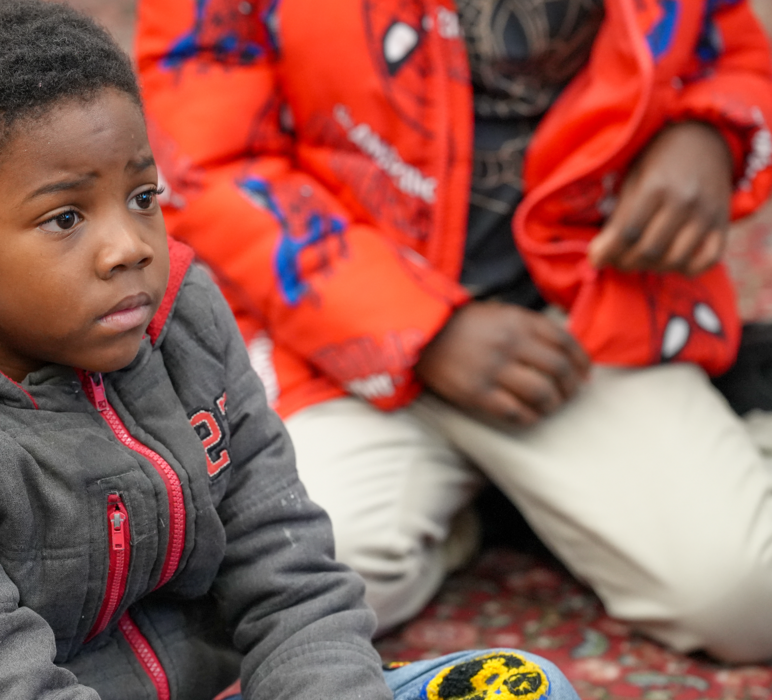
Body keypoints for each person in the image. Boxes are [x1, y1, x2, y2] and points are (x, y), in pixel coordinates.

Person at [0, 2, 580, 699]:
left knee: (519, 688)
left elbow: (289, 574)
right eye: (65, 218)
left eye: (141, 198)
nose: (130, 247)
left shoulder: (182, 315)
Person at [136, 0, 772, 663]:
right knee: (278, 589)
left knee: (748, 597)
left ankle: (536, 486)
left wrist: (711, 132)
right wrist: (421, 331)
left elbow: (725, 44)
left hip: (589, 322)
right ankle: (499, 505)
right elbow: (201, 162)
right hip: (337, 340)